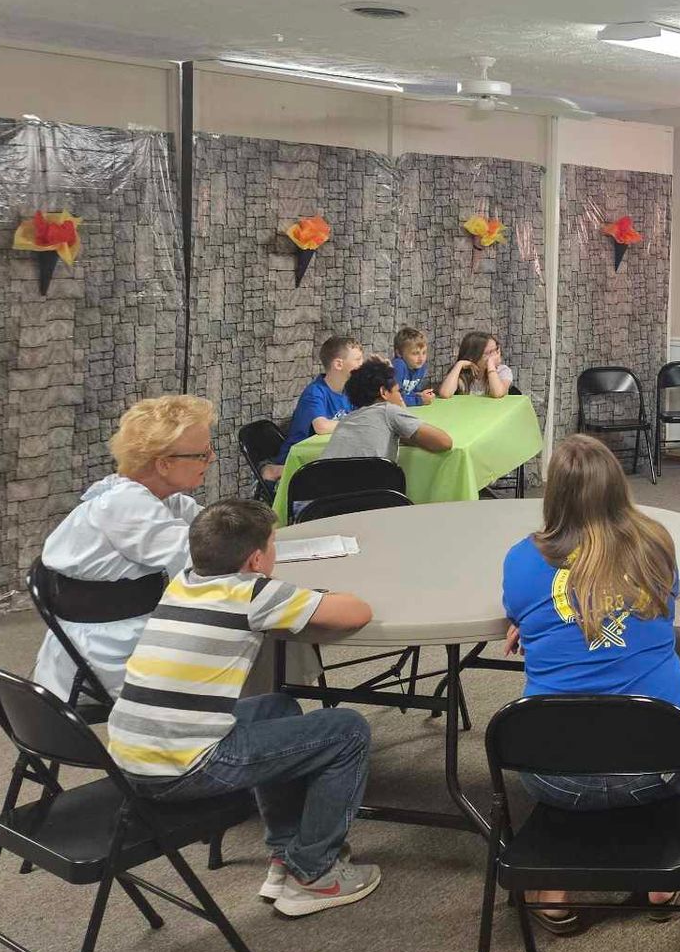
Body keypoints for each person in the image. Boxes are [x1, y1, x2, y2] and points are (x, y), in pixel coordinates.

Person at [107, 499, 379, 918]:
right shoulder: (253, 592)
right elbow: (357, 611)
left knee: (276, 707)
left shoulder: (182, 582)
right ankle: (316, 874)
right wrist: (308, 596)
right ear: (257, 559)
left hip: (132, 760)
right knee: (348, 730)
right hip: (187, 767)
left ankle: (287, 854)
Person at [500, 434, 680, 937]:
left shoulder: (522, 562)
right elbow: (656, 614)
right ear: (617, 487)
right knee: (633, 733)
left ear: (553, 495)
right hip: (665, 760)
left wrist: (538, 621)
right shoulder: (658, 545)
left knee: (573, 749)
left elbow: (528, 606)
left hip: (555, 776)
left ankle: (555, 881)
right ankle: (658, 881)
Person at [31, 395, 214, 700]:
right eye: (202, 454)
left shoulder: (161, 498)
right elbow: (210, 558)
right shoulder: (125, 505)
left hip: (124, 636)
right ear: (164, 463)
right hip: (106, 656)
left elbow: (215, 529)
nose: (211, 459)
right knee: (236, 650)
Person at [320, 357, 454, 463]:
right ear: (384, 392)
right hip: (372, 493)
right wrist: (407, 434)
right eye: (398, 391)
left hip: (324, 494)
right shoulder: (388, 410)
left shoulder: (345, 421)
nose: (401, 397)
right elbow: (444, 442)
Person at [274, 334, 364, 467]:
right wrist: (356, 423)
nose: (362, 364)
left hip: (327, 457)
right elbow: (321, 427)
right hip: (296, 463)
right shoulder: (315, 392)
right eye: (358, 359)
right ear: (338, 364)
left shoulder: (349, 390)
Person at [441, 330, 514, 399]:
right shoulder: (461, 373)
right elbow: (445, 394)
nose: (495, 355)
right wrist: (459, 364)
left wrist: (491, 366)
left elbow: (497, 393)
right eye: (489, 353)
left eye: (496, 349)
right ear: (472, 357)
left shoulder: (502, 371)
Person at [391, 327, 437, 405]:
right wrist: (419, 400)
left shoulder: (421, 367)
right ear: (399, 353)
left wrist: (421, 395)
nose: (421, 358)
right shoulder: (398, 366)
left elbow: (411, 392)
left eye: (424, 352)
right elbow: (393, 398)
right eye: (415, 353)